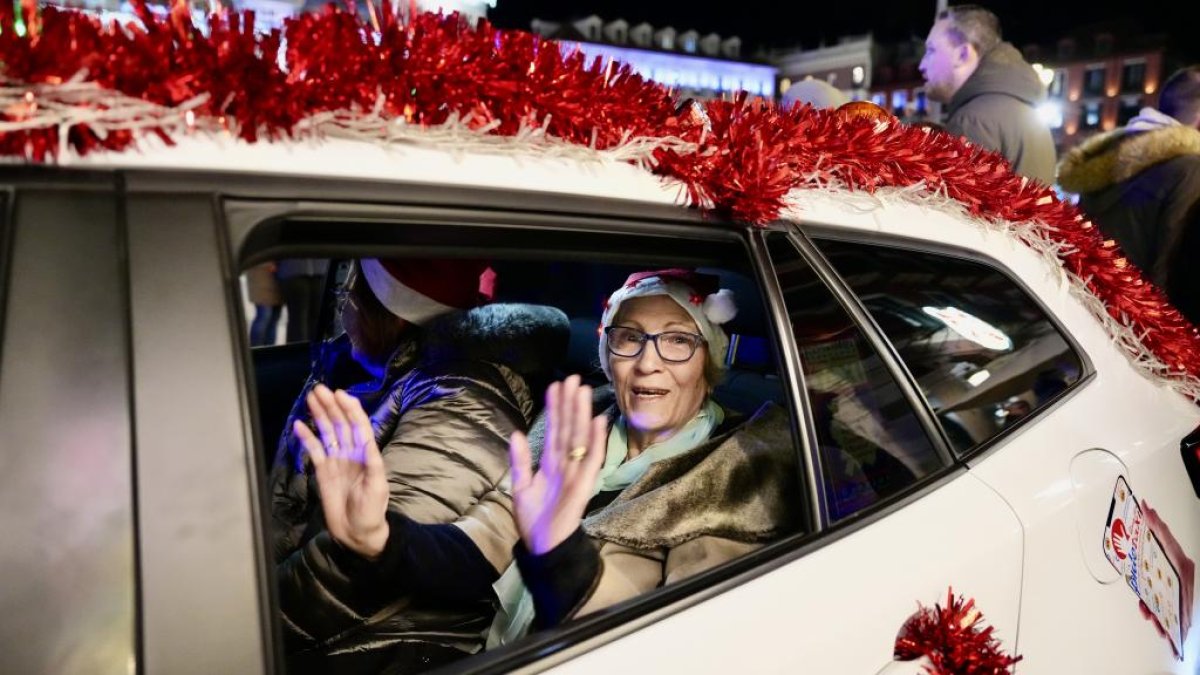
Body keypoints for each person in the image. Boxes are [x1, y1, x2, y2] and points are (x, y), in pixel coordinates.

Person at [298, 269, 802, 660]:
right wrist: (382, 539)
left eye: (677, 341)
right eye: (629, 338)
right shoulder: (576, 428)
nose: (648, 363)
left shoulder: (734, 475)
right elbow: (481, 545)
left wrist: (559, 554)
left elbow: (670, 647)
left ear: (707, 364)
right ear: (608, 357)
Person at [271, 257, 568, 674]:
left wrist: (247, 614)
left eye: (352, 292)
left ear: (390, 311)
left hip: (379, 644)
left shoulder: (462, 395)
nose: (342, 304)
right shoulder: (365, 366)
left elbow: (360, 573)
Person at [1057, 66, 1200, 324]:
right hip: (1130, 324)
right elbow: (1172, 266)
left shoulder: (1113, 150)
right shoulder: (1191, 169)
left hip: (1073, 303)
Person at [919, 4, 1056, 184]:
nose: (922, 65)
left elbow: (953, 200)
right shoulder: (1022, 108)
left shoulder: (972, 121)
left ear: (962, 54)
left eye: (931, 50)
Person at [246, 261, 283, 346]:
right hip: (262, 273)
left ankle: (269, 349)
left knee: (274, 318)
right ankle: (255, 349)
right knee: (264, 315)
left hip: (278, 274)